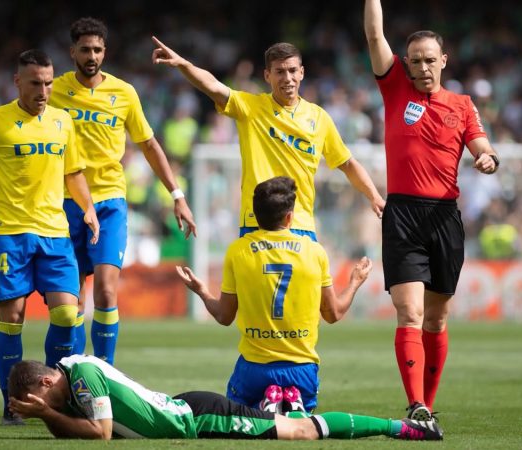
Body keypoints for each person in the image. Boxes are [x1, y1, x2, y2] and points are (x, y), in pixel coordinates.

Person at [0, 18, 198, 367]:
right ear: (72, 52)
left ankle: (104, 374)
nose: (92, 56)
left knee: (105, 289)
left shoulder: (124, 94)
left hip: (109, 202)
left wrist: (177, 194)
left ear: (105, 52)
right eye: (85, 49)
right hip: (63, 207)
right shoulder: (51, 87)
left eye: (98, 49)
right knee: (70, 305)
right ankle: (62, 375)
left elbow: (149, 145)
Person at [364, 0, 501, 422]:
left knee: (436, 321)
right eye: (415, 61)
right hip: (403, 215)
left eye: (430, 60)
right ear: (405, 63)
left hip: (444, 217)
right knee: (410, 312)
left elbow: (483, 144)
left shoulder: (461, 105)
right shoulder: (394, 88)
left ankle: (429, 402)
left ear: (444, 60)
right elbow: (373, 35)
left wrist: (487, 158)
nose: (423, 68)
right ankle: (415, 404)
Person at [0, 49, 100, 425]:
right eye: (36, 83)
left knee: (69, 316)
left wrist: (88, 208)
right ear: (17, 82)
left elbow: (75, 173)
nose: (44, 91)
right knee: (12, 320)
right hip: (10, 235)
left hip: (55, 235)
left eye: (49, 83)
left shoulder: (63, 122)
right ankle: (11, 403)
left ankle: (54, 396)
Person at [151, 37, 385, 242]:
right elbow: (212, 85)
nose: (288, 78)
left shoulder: (319, 118)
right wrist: (183, 64)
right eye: (280, 72)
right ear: (267, 75)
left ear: (302, 72)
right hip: (257, 222)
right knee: (255, 294)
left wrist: (374, 196)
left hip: (300, 223)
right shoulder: (251, 108)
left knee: (304, 294)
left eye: (293, 70)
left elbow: (347, 163)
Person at [176, 177, 372, 413]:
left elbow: (224, 316)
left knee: (241, 418)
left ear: (255, 214)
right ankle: (290, 400)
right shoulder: (314, 251)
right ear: (289, 217)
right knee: (302, 425)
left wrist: (201, 291)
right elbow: (334, 313)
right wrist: (355, 282)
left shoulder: (238, 251)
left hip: (254, 369)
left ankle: (267, 402)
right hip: (302, 369)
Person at [7, 354, 443, 441]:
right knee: (283, 423)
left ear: (46, 383)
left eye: (43, 399)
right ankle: (276, 405)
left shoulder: (80, 375)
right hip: (186, 409)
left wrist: (46, 413)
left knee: (302, 433)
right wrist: (48, 414)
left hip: (199, 418)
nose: (52, 408)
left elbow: (99, 434)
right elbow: (73, 433)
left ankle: (407, 429)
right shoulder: (72, 382)